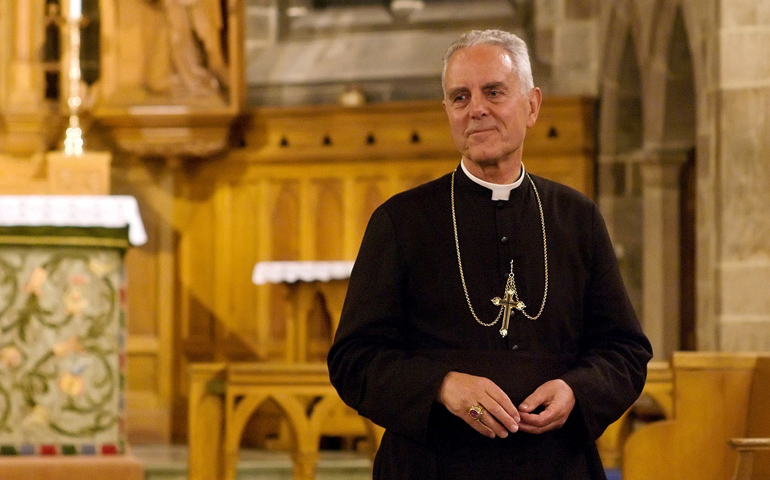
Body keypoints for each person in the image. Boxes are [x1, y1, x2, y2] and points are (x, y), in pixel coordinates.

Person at [327, 29, 653, 479]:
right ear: (447, 113)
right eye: (459, 97)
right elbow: (353, 359)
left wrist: (576, 390)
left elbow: (625, 351)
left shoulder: (578, 219)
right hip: (433, 466)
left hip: (555, 466)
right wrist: (442, 386)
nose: (476, 108)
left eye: (494, 92)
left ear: (532, 105)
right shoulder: (400, 221)